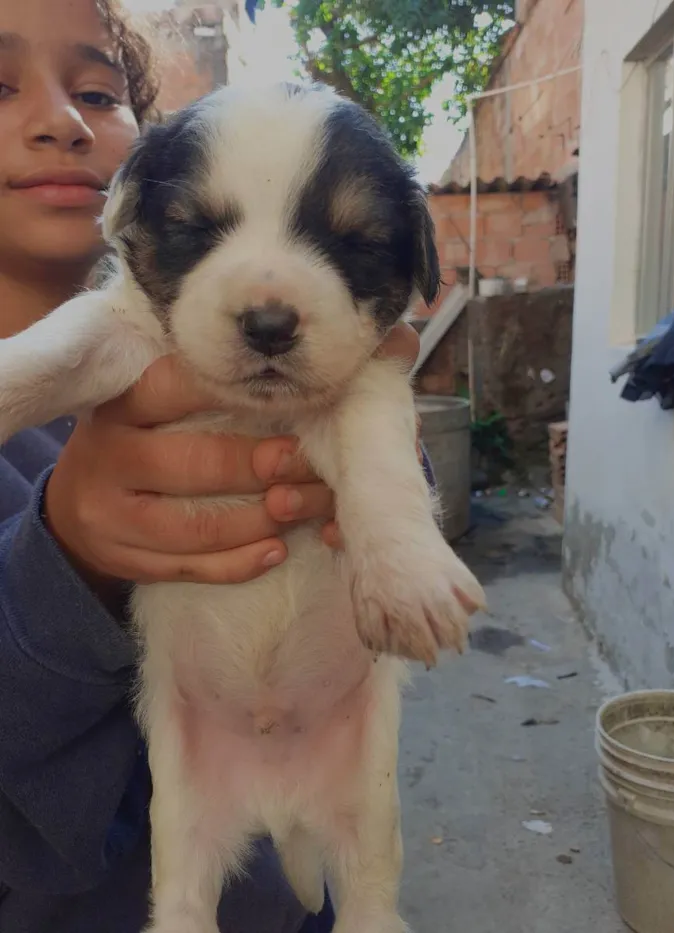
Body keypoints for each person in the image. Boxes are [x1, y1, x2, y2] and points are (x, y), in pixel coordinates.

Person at [0, 1, 431, 932]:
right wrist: (68, 547)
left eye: (97, 91)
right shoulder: (118, 327)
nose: (57, 120)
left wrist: (390, 500)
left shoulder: (159, 313)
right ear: (142, 215)